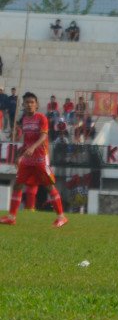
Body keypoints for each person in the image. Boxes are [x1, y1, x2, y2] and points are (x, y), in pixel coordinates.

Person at [1, 92, 68, 227]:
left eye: (32, 102)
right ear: (24, 105)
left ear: (36, 105)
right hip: (27, 159)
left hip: (40, 159)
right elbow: (26, 141)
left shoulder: (41, 118)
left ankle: (61, 217)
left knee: (49, 186)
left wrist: (33, 148)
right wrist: (18, 155)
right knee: (18, 185)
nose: (29, 104)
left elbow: (43, 137)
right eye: (27, 102)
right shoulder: (25, 119)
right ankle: (11, 217)